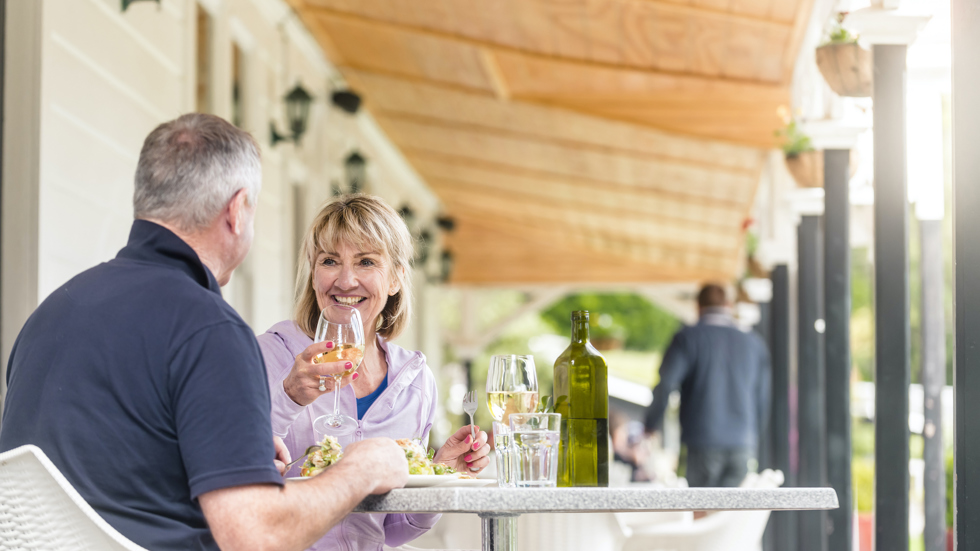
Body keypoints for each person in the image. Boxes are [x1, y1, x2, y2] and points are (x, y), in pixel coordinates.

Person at [0, 113, 408, 551]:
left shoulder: (52, 311)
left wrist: (224, 455)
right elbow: (257, 535)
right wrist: (363, 468)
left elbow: (111, 473)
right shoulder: (210, 329)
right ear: (236, 211)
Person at [257, 194, 490, 550]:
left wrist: (440, 472)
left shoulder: (416, 382)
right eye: (330, 261)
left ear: (396, 278)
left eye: (366, 262)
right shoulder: (270, 354)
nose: (346, 280)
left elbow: (392, 528)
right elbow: (231, 478)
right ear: (314, 273)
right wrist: (288, 397)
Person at [643, 283, 770, 488]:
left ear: (698, 306)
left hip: (701, 441)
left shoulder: (687, 338)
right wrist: (752, 435)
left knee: (699, 510)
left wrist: (650, 425)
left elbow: (666, 383)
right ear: (728, 305)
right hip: (743, 443)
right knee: (730, 513)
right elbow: (762, 399)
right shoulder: (754, 343)